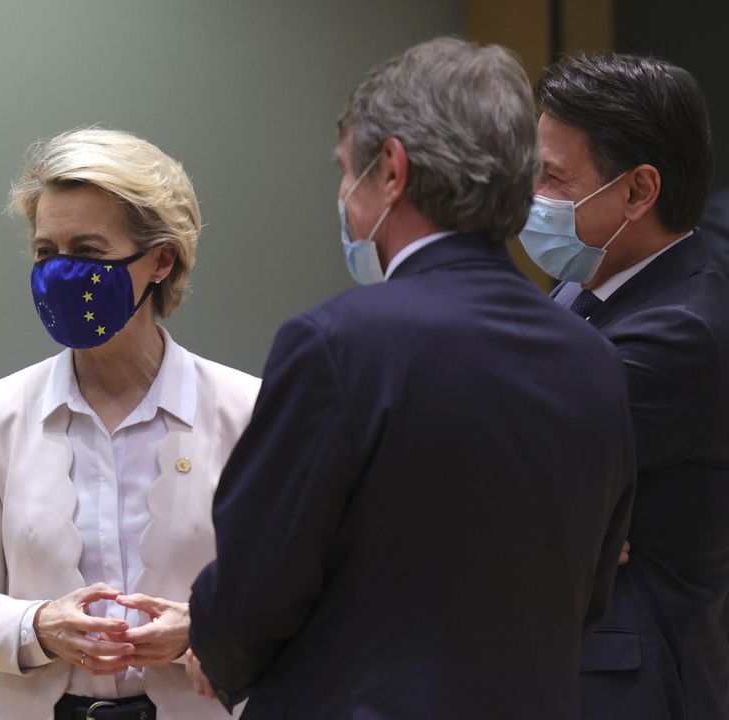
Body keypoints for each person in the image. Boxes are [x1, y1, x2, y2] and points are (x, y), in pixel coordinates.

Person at [188, 37, 635, 719]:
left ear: (391, 170)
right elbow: (589, 594)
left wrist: (212, 648)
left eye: (347, 171)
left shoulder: (339, 345)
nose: (343, 196)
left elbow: (257, 586)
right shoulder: (592, 357)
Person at [0, 128, 260, 720]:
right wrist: (37, 626)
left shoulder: (246, 410)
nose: (60, 274)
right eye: (45, 252)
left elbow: (301, 600)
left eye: (87, 252)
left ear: (160, 259)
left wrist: (200, 631)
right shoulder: (0, 411)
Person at [520, 53, 729, 720]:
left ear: (639, 191)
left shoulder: (682, 330)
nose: (529, 198)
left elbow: (495, 468)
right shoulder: (584, 283)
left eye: (551, 177)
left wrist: (553, 509)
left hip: (630, 686)